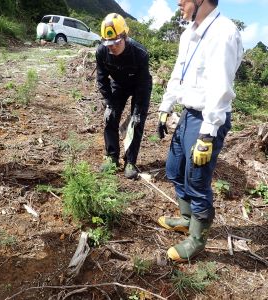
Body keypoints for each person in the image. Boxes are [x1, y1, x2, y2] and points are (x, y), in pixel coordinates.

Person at [157, 0, 243, 262]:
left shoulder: (223, 32)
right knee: (173, 169)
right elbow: (178, 73)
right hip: (187, 114)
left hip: (207, 118)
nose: (179, 2)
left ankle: (197, 240)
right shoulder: (189, 34)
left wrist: (208, 134)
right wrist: (166, 106)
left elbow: (221, 87)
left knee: (197, 181)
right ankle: (185, 219)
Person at [96, 13, 152, 179]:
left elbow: (142, 85)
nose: (111, 47)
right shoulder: (101, 52)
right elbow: (101, 78)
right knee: (111, 117)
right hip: (119, 83)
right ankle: (112, 157)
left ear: (125, 37)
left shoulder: (140, 53)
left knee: (135, 123)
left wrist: (137, 111)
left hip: (139, 86)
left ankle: (130, 161)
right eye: (108, 43)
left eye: (115, 43)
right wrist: (108, 102)